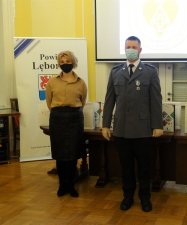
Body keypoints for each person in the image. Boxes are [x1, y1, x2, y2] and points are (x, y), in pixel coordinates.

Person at [102, 36, 163, 212]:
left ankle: (145, 198)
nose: (130, 49)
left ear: (140, 50)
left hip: (143, 130)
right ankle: (127, 197)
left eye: (134, 47)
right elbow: (109, 100)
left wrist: (157, 125)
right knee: (126, 168)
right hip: (121, 130)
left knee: (145, 168)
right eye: (127, 46)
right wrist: (105, 125)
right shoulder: (115, 71)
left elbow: (156, 100)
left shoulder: (150, 71)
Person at [46, 50, 87, 198]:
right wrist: (60, 111)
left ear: (73, 62)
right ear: (59, 64)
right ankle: (62, 185)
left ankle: (71, 185)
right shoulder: (52, 82)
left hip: (75, 118)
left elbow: (83, 102)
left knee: (73, 154)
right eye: (62, 62)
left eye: (68, 61)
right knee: (60, 154)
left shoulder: (81, 82)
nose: (65, 64)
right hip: (57, 118)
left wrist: (71, 111)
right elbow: (49, 103)